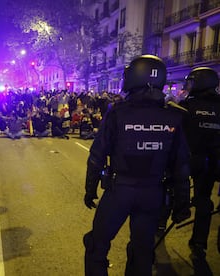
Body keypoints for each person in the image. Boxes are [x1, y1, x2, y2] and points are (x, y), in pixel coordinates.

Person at [83, 55, 191, 276]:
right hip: (153, 194)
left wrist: (90, 189)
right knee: (142, 252)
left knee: (97, 245)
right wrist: (182, 204)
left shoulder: (117, 112)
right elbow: (181, 165)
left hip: (119, 191)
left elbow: (97, 155)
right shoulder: (174, 116)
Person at [179, 67, 220, 264]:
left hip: (186, 160)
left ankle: (162, 222)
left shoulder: (187, 105)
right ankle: (199, 244)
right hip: (212, 164)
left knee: (170, 188)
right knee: (204, 201)